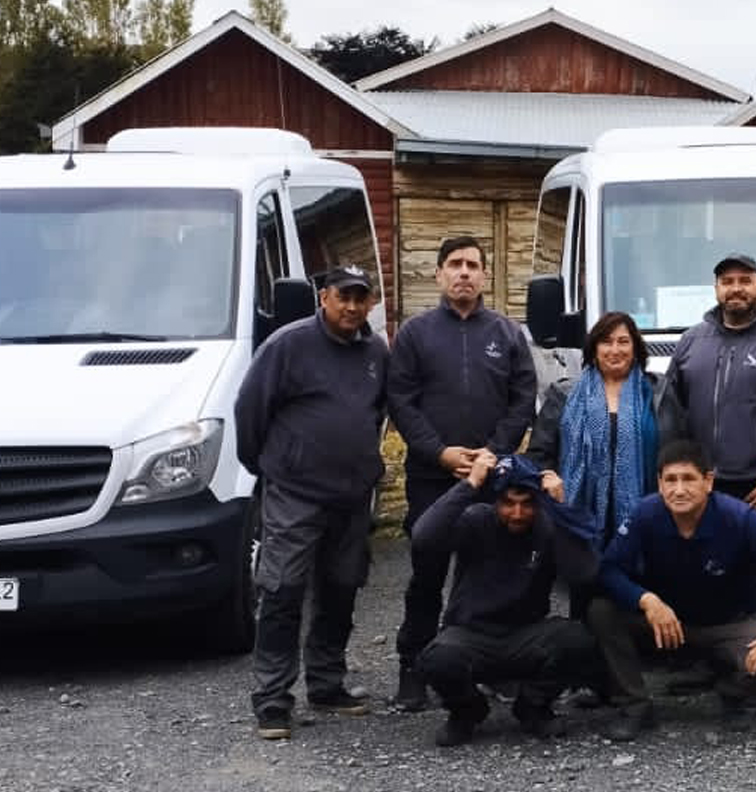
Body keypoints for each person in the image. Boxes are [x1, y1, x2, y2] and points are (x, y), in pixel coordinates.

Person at [234, 264, 389, 740]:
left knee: (342, 587)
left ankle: (327, 683)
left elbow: (377, 410)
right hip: (295, 493)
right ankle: (273, 699)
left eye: (361, 298)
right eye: (344, 296)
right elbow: (249, 409)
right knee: (282, 590)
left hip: (351, 494)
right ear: (324, 297)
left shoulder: (375, 352)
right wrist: (270, 466)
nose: (352, 306)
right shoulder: (287, 345)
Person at [387, 235, 538, 711]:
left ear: (485, 275)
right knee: (427, 574)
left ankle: (494, 668)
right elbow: (402, 402)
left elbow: (522, 401)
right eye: (454, 264)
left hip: (493, 480)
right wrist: (441, 454)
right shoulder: (414, 334)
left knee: (492, 574)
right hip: (434, 478)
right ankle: (413, 666)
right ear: (438, 274)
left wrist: (492, 454)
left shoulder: (508, 334)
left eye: (473, 264)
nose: (464, 272)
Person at [588, 440, 756, 741]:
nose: (679, 490)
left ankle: (732, 693)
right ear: (659, 483)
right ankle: (634, 705)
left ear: (708, 481)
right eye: (670, 480)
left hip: (727, 622)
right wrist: (646, 600)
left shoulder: (737, 517)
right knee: (601, 612)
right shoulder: (646, 514)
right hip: (667, 624)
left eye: (688, 479)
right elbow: (608, 569)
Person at [413, 451, 600, 747]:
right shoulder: (476, 520)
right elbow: (423, 537)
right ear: (495, 500)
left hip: (525, 636)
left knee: (577, 639)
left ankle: (533, 707)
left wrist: (560, 508)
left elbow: (584, 573)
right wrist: (470, 484)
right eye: (509, 504)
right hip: (472, 634)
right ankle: (467, 712)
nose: (517, 513)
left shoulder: (546, 527)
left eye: (527, 505)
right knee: (437, 659)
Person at [526, 311, 681, 609]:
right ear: (593, 349)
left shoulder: (658, 392)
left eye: (624, 341)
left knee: (639, 599)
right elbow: (538, 455)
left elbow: (678, 452)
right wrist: (549, 476)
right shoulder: (565, 394)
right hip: (581, 520)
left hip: (643, 515)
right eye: (606, 341)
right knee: (586, 600)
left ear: (636, 348)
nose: (615, 349)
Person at [665, 252, 756, 514]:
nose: (736, 288)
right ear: (716, 289)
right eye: (727, 281)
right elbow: (670, 414)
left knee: (754, 556)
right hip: (700, 484)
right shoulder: (691, 341)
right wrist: (679, 472)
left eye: (745, 281)